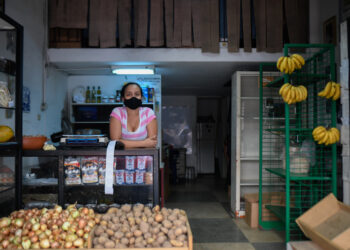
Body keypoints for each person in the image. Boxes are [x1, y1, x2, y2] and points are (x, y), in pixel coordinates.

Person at [110, 82, 157, 148]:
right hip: (122, 158)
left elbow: (152, 143)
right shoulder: (117, 112)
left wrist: (124, 143)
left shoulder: (148, 112)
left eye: (137, 94)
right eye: (129, 94)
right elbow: (115, 143)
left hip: (145, 157)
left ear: (141, 97)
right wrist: (144, 143)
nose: (133, 97)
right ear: (123, 98)